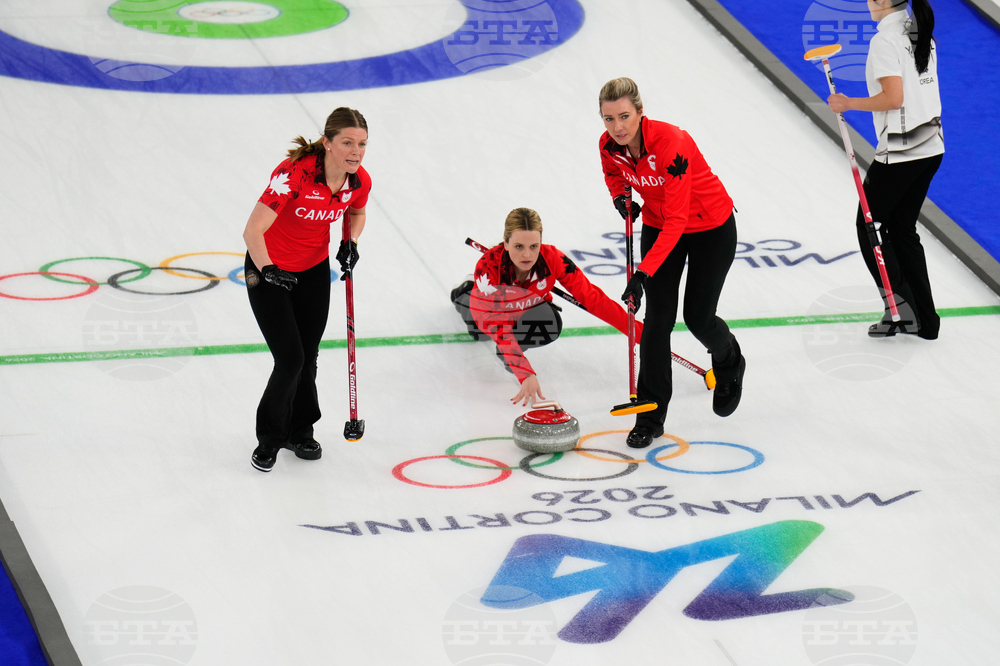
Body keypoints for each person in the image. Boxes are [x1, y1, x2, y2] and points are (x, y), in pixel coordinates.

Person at [598, 77, 744, 450]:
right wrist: (620, 198)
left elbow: (678, 220)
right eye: (609, 118)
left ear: (640, 112)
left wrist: (642, 272)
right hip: (658, 223)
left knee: (698, 317)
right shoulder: (609, 146)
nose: (617, 127)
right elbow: (614, 174)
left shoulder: (671, 144)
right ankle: (649, 416)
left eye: (624, 116)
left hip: (709, 227)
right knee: (658, 320)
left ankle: (729, 360)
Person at [242, 107, 371, 472]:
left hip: (313, 270)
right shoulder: (293, 175)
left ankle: (301, 432)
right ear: (327, 142)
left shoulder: (358, 181)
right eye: (347, 142)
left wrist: (351, 242)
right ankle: (270, 438)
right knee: (290, 360)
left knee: (308, 356)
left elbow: (357, 213)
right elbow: (252, 231)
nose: (356, 151)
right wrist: (268, 269)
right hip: (269, 268)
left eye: (362, 144)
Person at [827, 0, 943, 340]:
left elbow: (893, 98)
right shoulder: (920, 32)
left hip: (902, 153)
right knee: (902, 229)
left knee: (870, 227)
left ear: (881, 1)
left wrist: (848, 103)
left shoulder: (885, 40)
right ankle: (925, 320)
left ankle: (902, 312)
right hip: (932, 147)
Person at [451, 207, 640, 406]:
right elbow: (495, 324)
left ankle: (510, 352)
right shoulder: (489, 267)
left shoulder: (553, 259)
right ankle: (466, 291)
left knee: (549, 324)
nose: (527, 254)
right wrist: (525, 372)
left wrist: (641, 334)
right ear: (505, 243)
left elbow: (594, 299)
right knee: (479, 333)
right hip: (490, 314)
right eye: (518, 246)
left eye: (534, 246)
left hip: (525, 307)